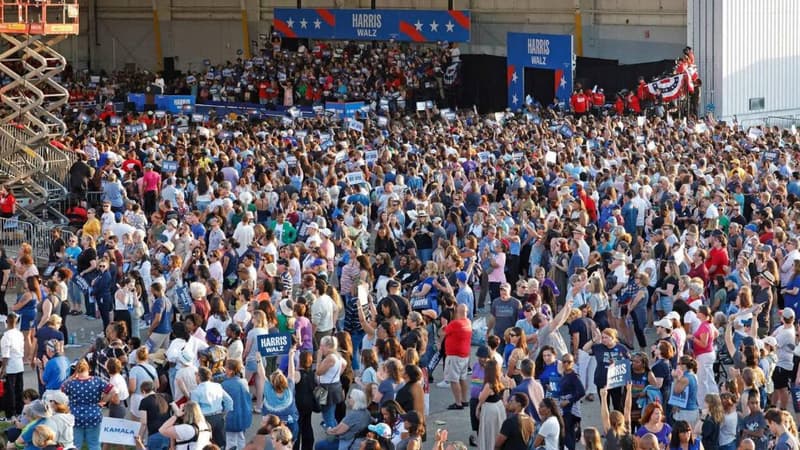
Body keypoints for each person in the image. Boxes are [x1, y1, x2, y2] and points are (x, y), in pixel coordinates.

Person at [61, 359, 116, 450]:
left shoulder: (71, 383)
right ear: (89, 369)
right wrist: (103, 401)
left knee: (75, 445)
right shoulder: (96, 381)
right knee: (94, 444)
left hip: (76, 417)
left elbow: (62, 389)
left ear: (77, 370)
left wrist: (71, 377)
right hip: (93, 415)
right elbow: (113, 390)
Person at [191, 367, 233, 448]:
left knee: (205, 444)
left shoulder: (195, 392)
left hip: (204, 419)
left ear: (199, 377)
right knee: (221, 444)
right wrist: (224, 414)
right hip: (219, 417)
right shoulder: (217, 386)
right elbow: (229, 401)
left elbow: (194, 411)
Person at [442, 304, 471, 410]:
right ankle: (464, 400)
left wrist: (444, 327)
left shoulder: (455, 323)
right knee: (463, 378)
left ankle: (458, 403)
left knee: (454, 380)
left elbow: (443, 332)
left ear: (457, 312)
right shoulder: (468, 322)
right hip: (464, 355)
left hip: (454, 355)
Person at [221, 359, 253, 450]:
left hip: (231, 418)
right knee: (241, 439)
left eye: (226, 367)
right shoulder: (244, 382)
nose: (224, 369)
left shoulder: (224, 385)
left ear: (231, 370)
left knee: (230, 441)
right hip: (244, 415)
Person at [476, 359, 508, 450]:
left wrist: (477, 408)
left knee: (490, 433)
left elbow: (481, 398)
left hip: (490, 409)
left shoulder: (489, 384)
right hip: (499, 406)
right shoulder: (501, 379)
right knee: (498, 430)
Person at [1, 312, 25, 418]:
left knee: (9, 390)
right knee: (19, 389)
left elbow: (5, 354)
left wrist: (3, 368)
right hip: (19, 364)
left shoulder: (6, 336)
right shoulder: (19, 334)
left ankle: (10, 413)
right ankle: (19, 410)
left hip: (10, 366)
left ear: (7, 322)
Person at [137, 381, 171, 450]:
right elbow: (176, 410)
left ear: (143, 391)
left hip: (154, 433)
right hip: (168, 432)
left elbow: (144, 422)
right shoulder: (166, 396)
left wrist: (140, 437)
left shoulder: (144, 401)